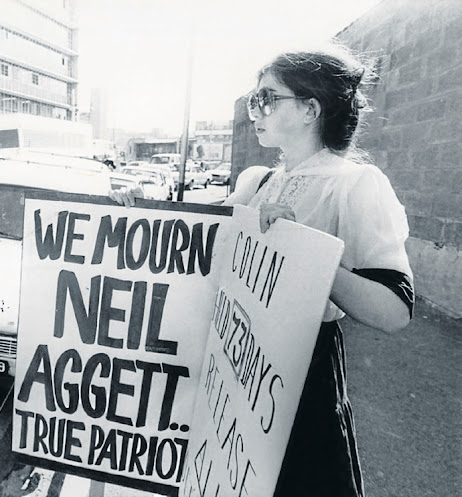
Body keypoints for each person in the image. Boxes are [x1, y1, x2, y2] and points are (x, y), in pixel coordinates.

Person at [110, 43, 414, 497]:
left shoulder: (356, 184)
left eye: (268, 98)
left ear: (311, 109)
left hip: (299, 375)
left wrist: (305, 255)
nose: (256, 109)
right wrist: (139, 209)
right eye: (254, 99)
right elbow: (197, 233)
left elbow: (394, 310)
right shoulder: (259, 179)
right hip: (235, 361)